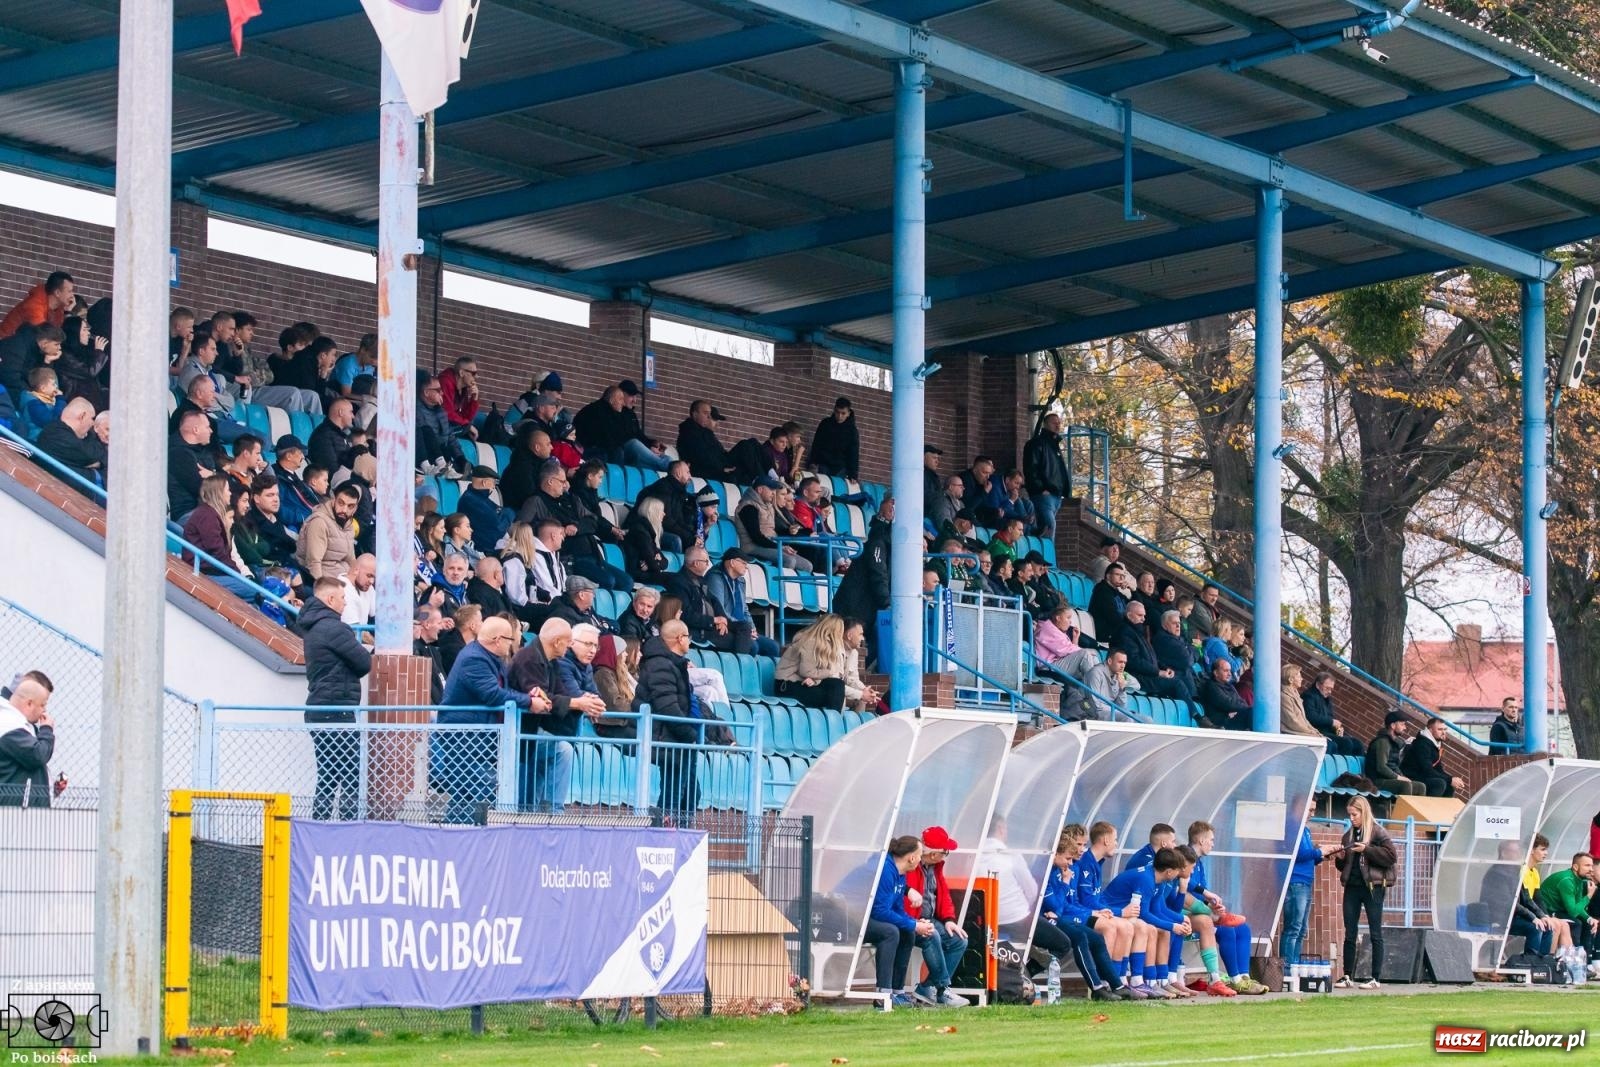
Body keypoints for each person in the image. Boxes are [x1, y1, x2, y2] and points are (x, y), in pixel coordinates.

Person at [433, 617, 543, 823]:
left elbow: (503, 690)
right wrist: (529, 702)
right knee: (484, 786)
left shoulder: (490, 658)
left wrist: (529, 694)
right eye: (510, 639)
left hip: (478, 738)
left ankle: (451, 830)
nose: (513, 644)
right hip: (462, 737)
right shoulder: (474, 659)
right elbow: (492, 694)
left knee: (465, 794)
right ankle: (459, 830)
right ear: (498, 639)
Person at [635, 620, 731, 816]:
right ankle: (662, 831)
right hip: (668, 740)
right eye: (688, 637)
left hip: (680, 740)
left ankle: (679, 831)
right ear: (680, 638)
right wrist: (691, 735)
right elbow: (667, 708)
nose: (689, 641)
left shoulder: (673, 663)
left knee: (690, 795)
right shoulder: (660, 665)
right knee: (672, 797)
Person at [298, 577, 372, 820]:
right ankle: (347, 827)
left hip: (320, 708)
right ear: (330, 599)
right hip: (337, 709)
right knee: (351, 773)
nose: (344, 604)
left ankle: (320, 825)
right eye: (342, 599)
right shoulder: (335, 628)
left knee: (328, 775)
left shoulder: (312, 626)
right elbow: (364, 662)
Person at [1039, 825, 1131, 1002]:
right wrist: (1066, 885)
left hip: (1062, 915)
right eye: (1069, 856)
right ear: (1057, 853)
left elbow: (1068, 903)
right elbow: (1058, 906)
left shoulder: (1066, 869)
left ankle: (1117, 985)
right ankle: (1097, 987)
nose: (1073, 860)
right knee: (1082, 936)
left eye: (1083, 845)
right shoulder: (1048, 872)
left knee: (1096, 938)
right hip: (1045, 919)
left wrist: (1091, 910)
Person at [1100, 847, 1191, 998]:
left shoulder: (1159, 880)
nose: (1178, 874)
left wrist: (1177, 923)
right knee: (1145, 928)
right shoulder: (1146, 879)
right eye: (1177, 870)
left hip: (1127, 913)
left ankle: (1157, 981)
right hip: (1110, 911)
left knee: (1161, 930)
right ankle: (1128, 980)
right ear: (1169, 872)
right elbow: (1144, 914)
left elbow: (1157, 910)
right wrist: (1173, 925)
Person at [1068, 821, 1146, 997]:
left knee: (1129, 926)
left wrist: (1110, 911)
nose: (1117, 844)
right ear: (1106, 840)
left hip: (1083, 911)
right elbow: (1085, 900)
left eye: (1083, 845)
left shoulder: (1096, 862)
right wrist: (1118, 912)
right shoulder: (1084, 862)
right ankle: (1104, 983)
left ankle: (1120, 980)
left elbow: (1093, 898)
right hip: (1077, 913)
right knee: (1111, 927)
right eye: (1115, 839)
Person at [897, 826, 972, 1006]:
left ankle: (927, 987)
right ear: (933, 854)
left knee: (959, 940)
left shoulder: (935, 866)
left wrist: (949, 920)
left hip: (928, 919)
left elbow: (943, 894)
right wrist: (916, 922)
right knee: (933, 934)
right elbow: (902, 899)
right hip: (909, 920)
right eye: (945, 852)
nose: (946, 856)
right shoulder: (909, 866)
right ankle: (942, 989)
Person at [1334, 796, 1397, 988]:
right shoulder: (1348, 835)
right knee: (1349, 932)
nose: (1351, 818)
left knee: (1375, 932)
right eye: (1349, 815)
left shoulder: (1378, 832)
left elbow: (1391, 856)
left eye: (1354, 814)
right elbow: (1344, 866)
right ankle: (1347, 976)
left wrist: (1367, 850)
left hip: (1373, 887)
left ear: (1364, 812)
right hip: (1352, 887)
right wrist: (1339, 858)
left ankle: (1375, 978)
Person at [864, 835, 931, 1010]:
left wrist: (914, 923)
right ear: (912, 858)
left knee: (907, 932)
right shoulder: (885, 869)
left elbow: (897, 909)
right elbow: (879, 911)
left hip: (869, 918)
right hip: (851, 918)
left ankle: (897, 992)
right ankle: (883, 996)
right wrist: (915, 925)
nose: (920, 859)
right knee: (890, 932)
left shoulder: (900, 874)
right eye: (920, 855)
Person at [831, 498, 893, 663]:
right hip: (856, 605)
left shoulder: (885, 541)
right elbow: (878, 573)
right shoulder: (878, 542)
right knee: (852, 647)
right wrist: (887, 602)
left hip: (867, 605)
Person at [1282, 797, 1340, 968]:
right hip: (1295, 881)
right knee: (1293, 928)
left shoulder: (1305, 829)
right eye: (1310, 809)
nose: (1312, 814)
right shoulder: (1292, 826)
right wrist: (1319, 851)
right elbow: (1296, 854)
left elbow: (1307, 857)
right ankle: (1287, 968)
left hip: (1306, 881)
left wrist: (1322, 855)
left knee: (1301, 930)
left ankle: (1295, 967)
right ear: (1299, 806)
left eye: (1314, 810)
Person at [181, 475, 260, 601]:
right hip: (203, 571)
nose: (230, 493)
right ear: (218, 492)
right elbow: (216, 550)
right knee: (252, 591)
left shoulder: (209, 513)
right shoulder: (207, 515)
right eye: (227, 490)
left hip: (210, 569)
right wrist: (236, 573)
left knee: (252, 591)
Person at [665, 546, 748, 653]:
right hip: (701, 630)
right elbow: (686, 615)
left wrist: (722, 620)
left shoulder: (701, 579)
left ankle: (740, 657)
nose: (708, 565)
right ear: (696, 563)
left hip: (712, 625)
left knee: (745, 627)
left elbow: (715, 601)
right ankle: (739, 660)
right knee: (750, 645)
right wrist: (714, 620)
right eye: (705, 561)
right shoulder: (679, 583)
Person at [572, 383, 671, 470]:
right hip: (593, 451)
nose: (623, 403)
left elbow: (637, 434)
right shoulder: (602, 411)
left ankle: (669, 464)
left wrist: (651, 444)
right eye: (621, 399)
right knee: (631, 445)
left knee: (637, 456)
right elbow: (611, 437)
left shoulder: (618, 412)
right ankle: (670, 465)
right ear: (612, 400)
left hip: (612, 451)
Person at [704, 549, 778, 657]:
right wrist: (744, 628)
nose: (746, 567)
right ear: (732, 562)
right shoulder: (715, 577)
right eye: (743, 563)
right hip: (727, 626)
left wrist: (752, 628)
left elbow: (745, 609)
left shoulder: (740, 581)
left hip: (743, 628)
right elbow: (719, 609)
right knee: (753, 647)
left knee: (773, 647)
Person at [735, 474, 812, 572]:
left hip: (771, 545)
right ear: (760, 490)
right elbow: (756, 537)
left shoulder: (768, 505)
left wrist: (789, 532)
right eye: (771, 489)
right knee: (789, 560)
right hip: (753, 547)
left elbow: (774, 530)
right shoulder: (748, 507)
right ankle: (779, 582)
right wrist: (781, 547)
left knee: (807, 566)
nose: (773, 493)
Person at [0, 672, 55, 807]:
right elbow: (37, 755)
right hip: (13, 813)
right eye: (42, 705)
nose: (44, 711)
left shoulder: (22, 725)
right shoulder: (9, 724)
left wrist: (53, 790)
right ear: (29, 703)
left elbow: (27, 772)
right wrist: (46, 729)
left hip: (22, 812)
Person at [774, 614, 848, 709]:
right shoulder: (811, 642)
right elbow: (807, 671)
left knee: (837, 684)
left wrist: (815, 680)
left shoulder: (823, 644)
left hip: (800, 682)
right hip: (786, 686)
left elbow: (816, 672)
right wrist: (830, 672)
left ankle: (834, 716)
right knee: (831, 694)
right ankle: (833, 716)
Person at [1536, 852, 1600, 960]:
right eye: (1587, 865)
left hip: (1559, 910)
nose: (1591, 869)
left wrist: (1589, 918)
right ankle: (1569, 959)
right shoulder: (1567, 881)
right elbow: (1573, 912)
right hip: (1546, 910)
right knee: (1576, 923)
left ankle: (1585, 961)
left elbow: (1577, 906)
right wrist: (1589, 895)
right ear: (1575, 867)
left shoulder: (1579, 880)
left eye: (1591, 865)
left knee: (1587, 923)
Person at [296, 481, 361, 581]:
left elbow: (351, 559)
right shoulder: (319, 522)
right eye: (341, 503)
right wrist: (321, 588)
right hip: (324, 581)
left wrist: (357, 580)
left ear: (355, 509)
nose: (344, 510)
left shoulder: (348, 525)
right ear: (333, 500)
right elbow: (313, 562)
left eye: (350, 506)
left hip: (342, 579)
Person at [33, 397, 104, 488]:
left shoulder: (75, 436)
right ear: (82, 416)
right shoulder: (55, 433)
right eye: (92, 418)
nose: (93, 423)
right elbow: (92, 456)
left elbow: (98, 456)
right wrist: (94, 462)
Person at [1023, 412, 1069, 537]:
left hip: (1056, 494)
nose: (1057, 426)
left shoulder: (1054, 445)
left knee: (1045, 528)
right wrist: (1040, 488)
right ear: (1045, 424)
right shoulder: (1037, 443)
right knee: (1049, 526)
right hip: (1044, 494)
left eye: (1059, 423)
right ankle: (1047, 550)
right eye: (1054, 423)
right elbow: (1030, 468)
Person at [1366, 711, 1426, 801]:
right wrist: (1399, 778)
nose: (1405, 728)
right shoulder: (1383, 742)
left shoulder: (1393, 742)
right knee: (1405, 785)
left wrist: (1402, 776)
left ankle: (1415, 810)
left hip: (1388, 779)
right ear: (1393, 725)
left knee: (1421, 786)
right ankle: (1403, 810)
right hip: (1376, 780)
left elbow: (1393, 765)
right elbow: (1381, 767)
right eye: (1402, 724)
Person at [1302, 671, 1365, 756]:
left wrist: (1336, 729)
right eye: (1327, 688)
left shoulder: (1327, 699)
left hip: (1327, 732)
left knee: (1358, 744)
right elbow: (1311, 717)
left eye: (1331, 689)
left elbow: (1330, 718)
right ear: (1318, 685)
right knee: (1346, 743)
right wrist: (1332, 722)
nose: (1330, 691)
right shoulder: (1309, 696)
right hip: (1316, 731)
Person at [1400, 717, 1467, 798]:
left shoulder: (1435, 744)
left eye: (1445, 729)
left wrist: (1452, 779)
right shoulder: (1422, 744)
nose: (1443, 732)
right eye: (1440, 729)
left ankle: (1440, 807)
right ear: (1430, 730)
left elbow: (1439, 770)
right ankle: (1426, 806)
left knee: (1449, 786)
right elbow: (1427, 770)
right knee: (1439, 784)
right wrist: (1450, 780)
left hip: (1422, 776)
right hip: (1410, 777)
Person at [1068, 648, 1128, 722]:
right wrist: (1115, 710)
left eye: (1124, 663)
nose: (1123, 666)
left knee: (1141, 719)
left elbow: (1122, 707)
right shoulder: (1096, 672)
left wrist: (1122, 689)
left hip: (1106, 711)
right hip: (1087, 711)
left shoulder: (1118, 677)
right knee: (1126, 718)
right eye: (1120, 662)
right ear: (1110, 661)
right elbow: (1094, 703)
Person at [810, 395, 859, 479]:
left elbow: (853, 453)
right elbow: (816, 444)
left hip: (841, 467)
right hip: (823, 463)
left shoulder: (852, 431)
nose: (839, 416)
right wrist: (813, 461)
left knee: (837, 486)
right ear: (834, 410)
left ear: (848, 413)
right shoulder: (825, 424)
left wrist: (853, 474)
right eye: (837, 412)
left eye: (843, 413)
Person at [1197, 658, 1252, 731]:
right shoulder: (1211, 686)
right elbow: (1228, 704)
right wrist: (1233, 708)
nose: (1229, 674)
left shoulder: (1229, 685)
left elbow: (1242, 702)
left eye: (1230, 671)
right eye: (1226, 671)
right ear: (1216, 673)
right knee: (1251, 712)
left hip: (1231, 718)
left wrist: (1235, 709)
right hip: (1221, 723)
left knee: (1252, 711)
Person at [840, 618, 880, 713]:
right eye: (860, 634)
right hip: (831, 691)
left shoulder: (854, 652)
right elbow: (836, 685)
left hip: (841, 689)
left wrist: (865, 690)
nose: (863, 638)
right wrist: (861, 694)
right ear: (849, 636)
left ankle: (858, 722)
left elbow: (853, 679)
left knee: (862, 699)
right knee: (841, 696)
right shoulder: (835, 650)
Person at [1087, 561, 1130, 643]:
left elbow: (1133, 606)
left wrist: (1133, 590)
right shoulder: (1102, 591)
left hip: (1117, 631)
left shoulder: (1116, 592)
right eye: (1117, 575)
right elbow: (1113, 617)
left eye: (1123, 576)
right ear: (1108, 576)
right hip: (1105, 634)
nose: (1121, 578)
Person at [437, 356, 480, 432]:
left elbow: (467, 417)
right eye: (473, 373)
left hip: (450, 424)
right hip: (439, 425)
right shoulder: (446, 382)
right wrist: (467, 426)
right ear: (461, 373)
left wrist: (474, 399)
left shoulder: (463, 388)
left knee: (476, 425)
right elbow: (447, 413)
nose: (476, 377)